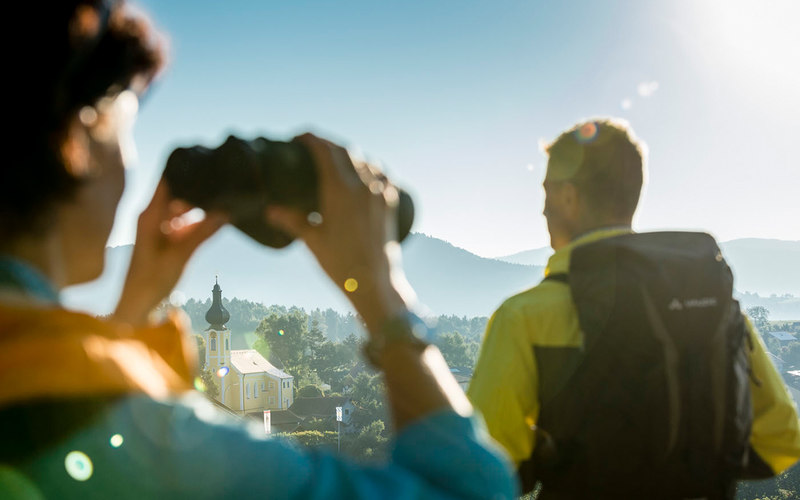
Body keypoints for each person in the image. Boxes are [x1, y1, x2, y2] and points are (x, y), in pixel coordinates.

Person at [0, 2, 515, 498]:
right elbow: (470, 491)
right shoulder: (116, 431)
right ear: (80, 136)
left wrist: (133, 313)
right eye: (126, 132)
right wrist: (383, 296)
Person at [467, 118, 800, 497]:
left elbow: (478, 467)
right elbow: (782, 440)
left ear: (568, 198)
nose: (542, 210)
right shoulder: (714, 305)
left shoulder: (524, 317)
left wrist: (548, 455)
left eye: (546, 193)